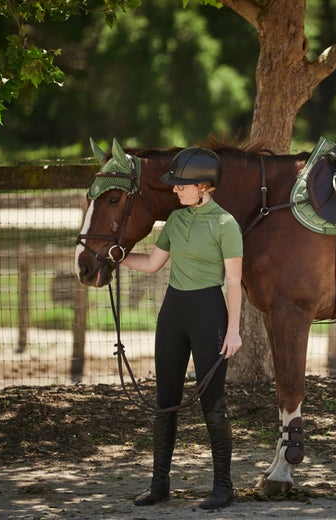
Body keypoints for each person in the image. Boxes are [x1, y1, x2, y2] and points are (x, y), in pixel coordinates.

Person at [120, 147, 243, 510]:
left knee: (213, 405)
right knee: (164, 402)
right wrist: (116, 258)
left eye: (182, 185)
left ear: (205, 186)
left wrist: (234, 330)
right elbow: (154, 264)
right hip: (173, 313)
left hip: (209, 313)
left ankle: (223, 487)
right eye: (174, 185)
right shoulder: (174, 221)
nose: (175, 190)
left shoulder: (226, 225)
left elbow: (234, 281)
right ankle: (159, 485)